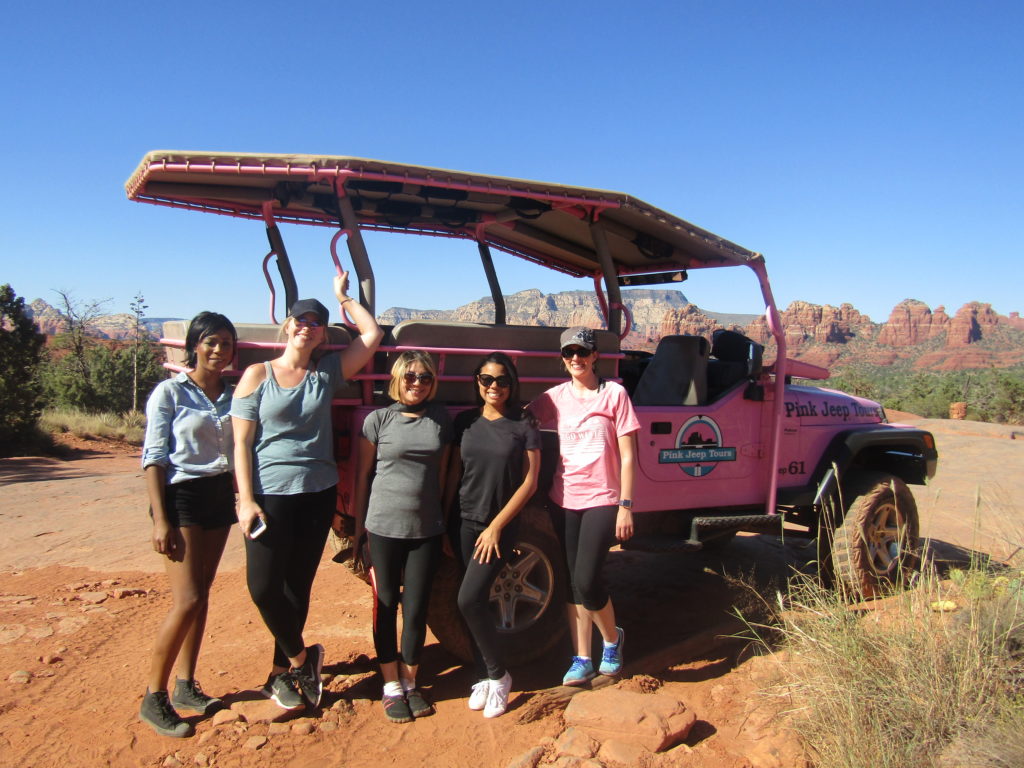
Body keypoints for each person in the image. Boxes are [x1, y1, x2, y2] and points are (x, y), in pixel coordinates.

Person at [231, 273, 382, 711]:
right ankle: (303, 659)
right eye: (301, 319)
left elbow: (370, 335)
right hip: (269, 495)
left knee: (297, 586)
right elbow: (240, 442)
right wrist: (245, 499)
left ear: (322, 333)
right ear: (287, 324)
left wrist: (344, 298)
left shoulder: (326, 373)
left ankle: (281, 673)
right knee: (262, 586)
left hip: (316, 493)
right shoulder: (257, 375)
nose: (307, 326)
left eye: (316, 322)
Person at [139, 311, 238, 738]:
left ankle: (185, 686)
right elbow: (153, 457)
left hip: (220, 496)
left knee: (202, 596)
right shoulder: (170, 393)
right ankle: (152, 696)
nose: (218, 350)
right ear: (194, 345)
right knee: (187, 597)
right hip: (181, 499)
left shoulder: (235, 395)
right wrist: (161, 519)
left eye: (226, 344)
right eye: (211, 342)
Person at [529, 326, 639, 686]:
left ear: (594, 356)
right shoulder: (554, 398)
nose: (575, 358)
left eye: (581, 351)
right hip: (563, 499)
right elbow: (519, 420)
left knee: (588, 580)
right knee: (571, 584)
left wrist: (625, 505)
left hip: (603, 498)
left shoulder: (615, 396)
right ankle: (582, 658)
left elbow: (627, 456)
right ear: (563, 359)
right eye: (568, 353)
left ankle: (612, 640)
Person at [352, 350, 453, 724]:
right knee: (386, 602)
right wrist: (360, 532)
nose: (417, 383)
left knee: (417, 608)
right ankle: (390, 685)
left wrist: (441, 519)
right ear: (397, 378)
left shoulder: (440, 420)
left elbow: (443, 474)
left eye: (425, 377)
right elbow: (363, 477)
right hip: (382, 527)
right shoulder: (377, 420)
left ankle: (411, 682)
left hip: (426, 529)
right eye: (410, 376)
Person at [450, 353, 540, 718]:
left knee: (468, 600)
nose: (494, 387)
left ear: (511, 384)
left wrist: (496, 527)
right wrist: (445, 521)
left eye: (502, 381)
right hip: (463, 521)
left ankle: (499, 676)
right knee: (474, 603)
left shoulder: (524, 423)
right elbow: (453, 474)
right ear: (477, 382)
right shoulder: (465, 422)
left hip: (497, 527)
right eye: (486, 379)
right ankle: (483, 677)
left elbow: (530, 482)